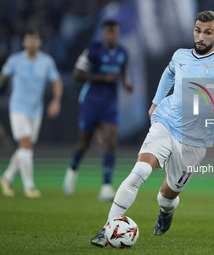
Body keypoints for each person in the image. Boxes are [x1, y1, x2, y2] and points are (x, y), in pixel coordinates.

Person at [90, 10, 214, 247]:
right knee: (138, 173)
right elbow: (169, 73)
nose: (201, 37)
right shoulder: (180, 55)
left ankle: (165, 213)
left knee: (166, 196)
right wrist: (155, 102)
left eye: (207, 32)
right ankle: (107, 228)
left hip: (195, 140)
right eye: (197, 30)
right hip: (166, 122)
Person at [63, 20, 133, 201]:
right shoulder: (93, 50)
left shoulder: (123, 52)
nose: (111, 35)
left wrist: (127, 83)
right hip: (91, 102)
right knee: (84, 142)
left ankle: (106, 187)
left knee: (110, 141)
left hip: (110, 104)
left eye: (114, 32)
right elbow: (77, 74)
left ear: (118, 34)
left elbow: (123, 71)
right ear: (103, 34)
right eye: (108, 32)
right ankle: (72, 172)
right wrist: (102, 77)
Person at [0, 30, 63, 198]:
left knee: (25, 148)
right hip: (18, 108)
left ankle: (6, 177)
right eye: (28, 40)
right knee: (26, 145)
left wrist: (56, 100)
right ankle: (29, 187)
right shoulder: (15, 60)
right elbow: (1, 78)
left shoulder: (46, 61)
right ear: (24, 43)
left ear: (39, 42)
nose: (31, 43)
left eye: (34, 40)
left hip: (35, 110)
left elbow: (56, 81)